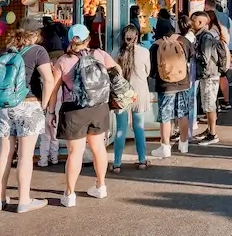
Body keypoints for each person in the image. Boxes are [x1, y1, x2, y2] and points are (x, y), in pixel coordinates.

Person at [51, 24, 118, 208]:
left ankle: (70, 193)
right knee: (98, 148)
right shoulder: (100, 54)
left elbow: (53, 90)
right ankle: (101, 186)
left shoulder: (63, 61)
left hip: (74, 110)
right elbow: (117, 72)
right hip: (99, 107)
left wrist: (50, 112)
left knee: (75, 153)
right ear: (89, 38)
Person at [0, 20, 55, 213]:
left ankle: (0, 199)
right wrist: (44, 106)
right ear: (36, 33)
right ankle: (24, 200)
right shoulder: (38, 51)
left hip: (4, 106)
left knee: (4, 153)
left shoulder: (5, 50)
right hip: (28, 105)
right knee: (25, 156)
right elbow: (48, 79)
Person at [150, 15, 194, 158]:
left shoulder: (156, 45)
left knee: (165, 116)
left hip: (165, 85)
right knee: (183, 113)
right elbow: (192, 56)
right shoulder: (183, 41)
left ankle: (165, 147)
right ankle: (184, 144)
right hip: (183, 82)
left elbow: (152, 70)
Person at [112, 24, 151, 172]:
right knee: (139, 127)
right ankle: (142, 160)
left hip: (122, 94)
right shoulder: (144, 52)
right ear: (137, 37)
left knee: (121, 129)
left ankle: (117, 163)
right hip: (140, 91)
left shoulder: (116, 53)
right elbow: (147, 72)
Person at [193, 11, 227, 145]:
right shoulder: (203, 36)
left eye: (193, 20)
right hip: (207, 74)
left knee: (209, 104)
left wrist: (192, 51)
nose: (191, 23)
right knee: (207, 104)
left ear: (201, 22)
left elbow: (205, 58)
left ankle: (213, 134)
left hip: (209, 75)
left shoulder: (205, 37)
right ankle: (209, 130)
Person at [38, 22, 66, 167]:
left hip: (43, 104)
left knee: (45, 135)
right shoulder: (59, 73)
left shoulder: (43, 71)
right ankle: (54, 157)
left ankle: (43, 159)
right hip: (56, 105)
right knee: (53, 134)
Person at [205, 0, 232, 111]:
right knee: (222, 76)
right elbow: (228, 34)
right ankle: (226, 101)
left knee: (212, 80)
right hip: (224, 50)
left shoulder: (210, 23)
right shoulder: (225, 17)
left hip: (214, 54)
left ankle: (215, 105)